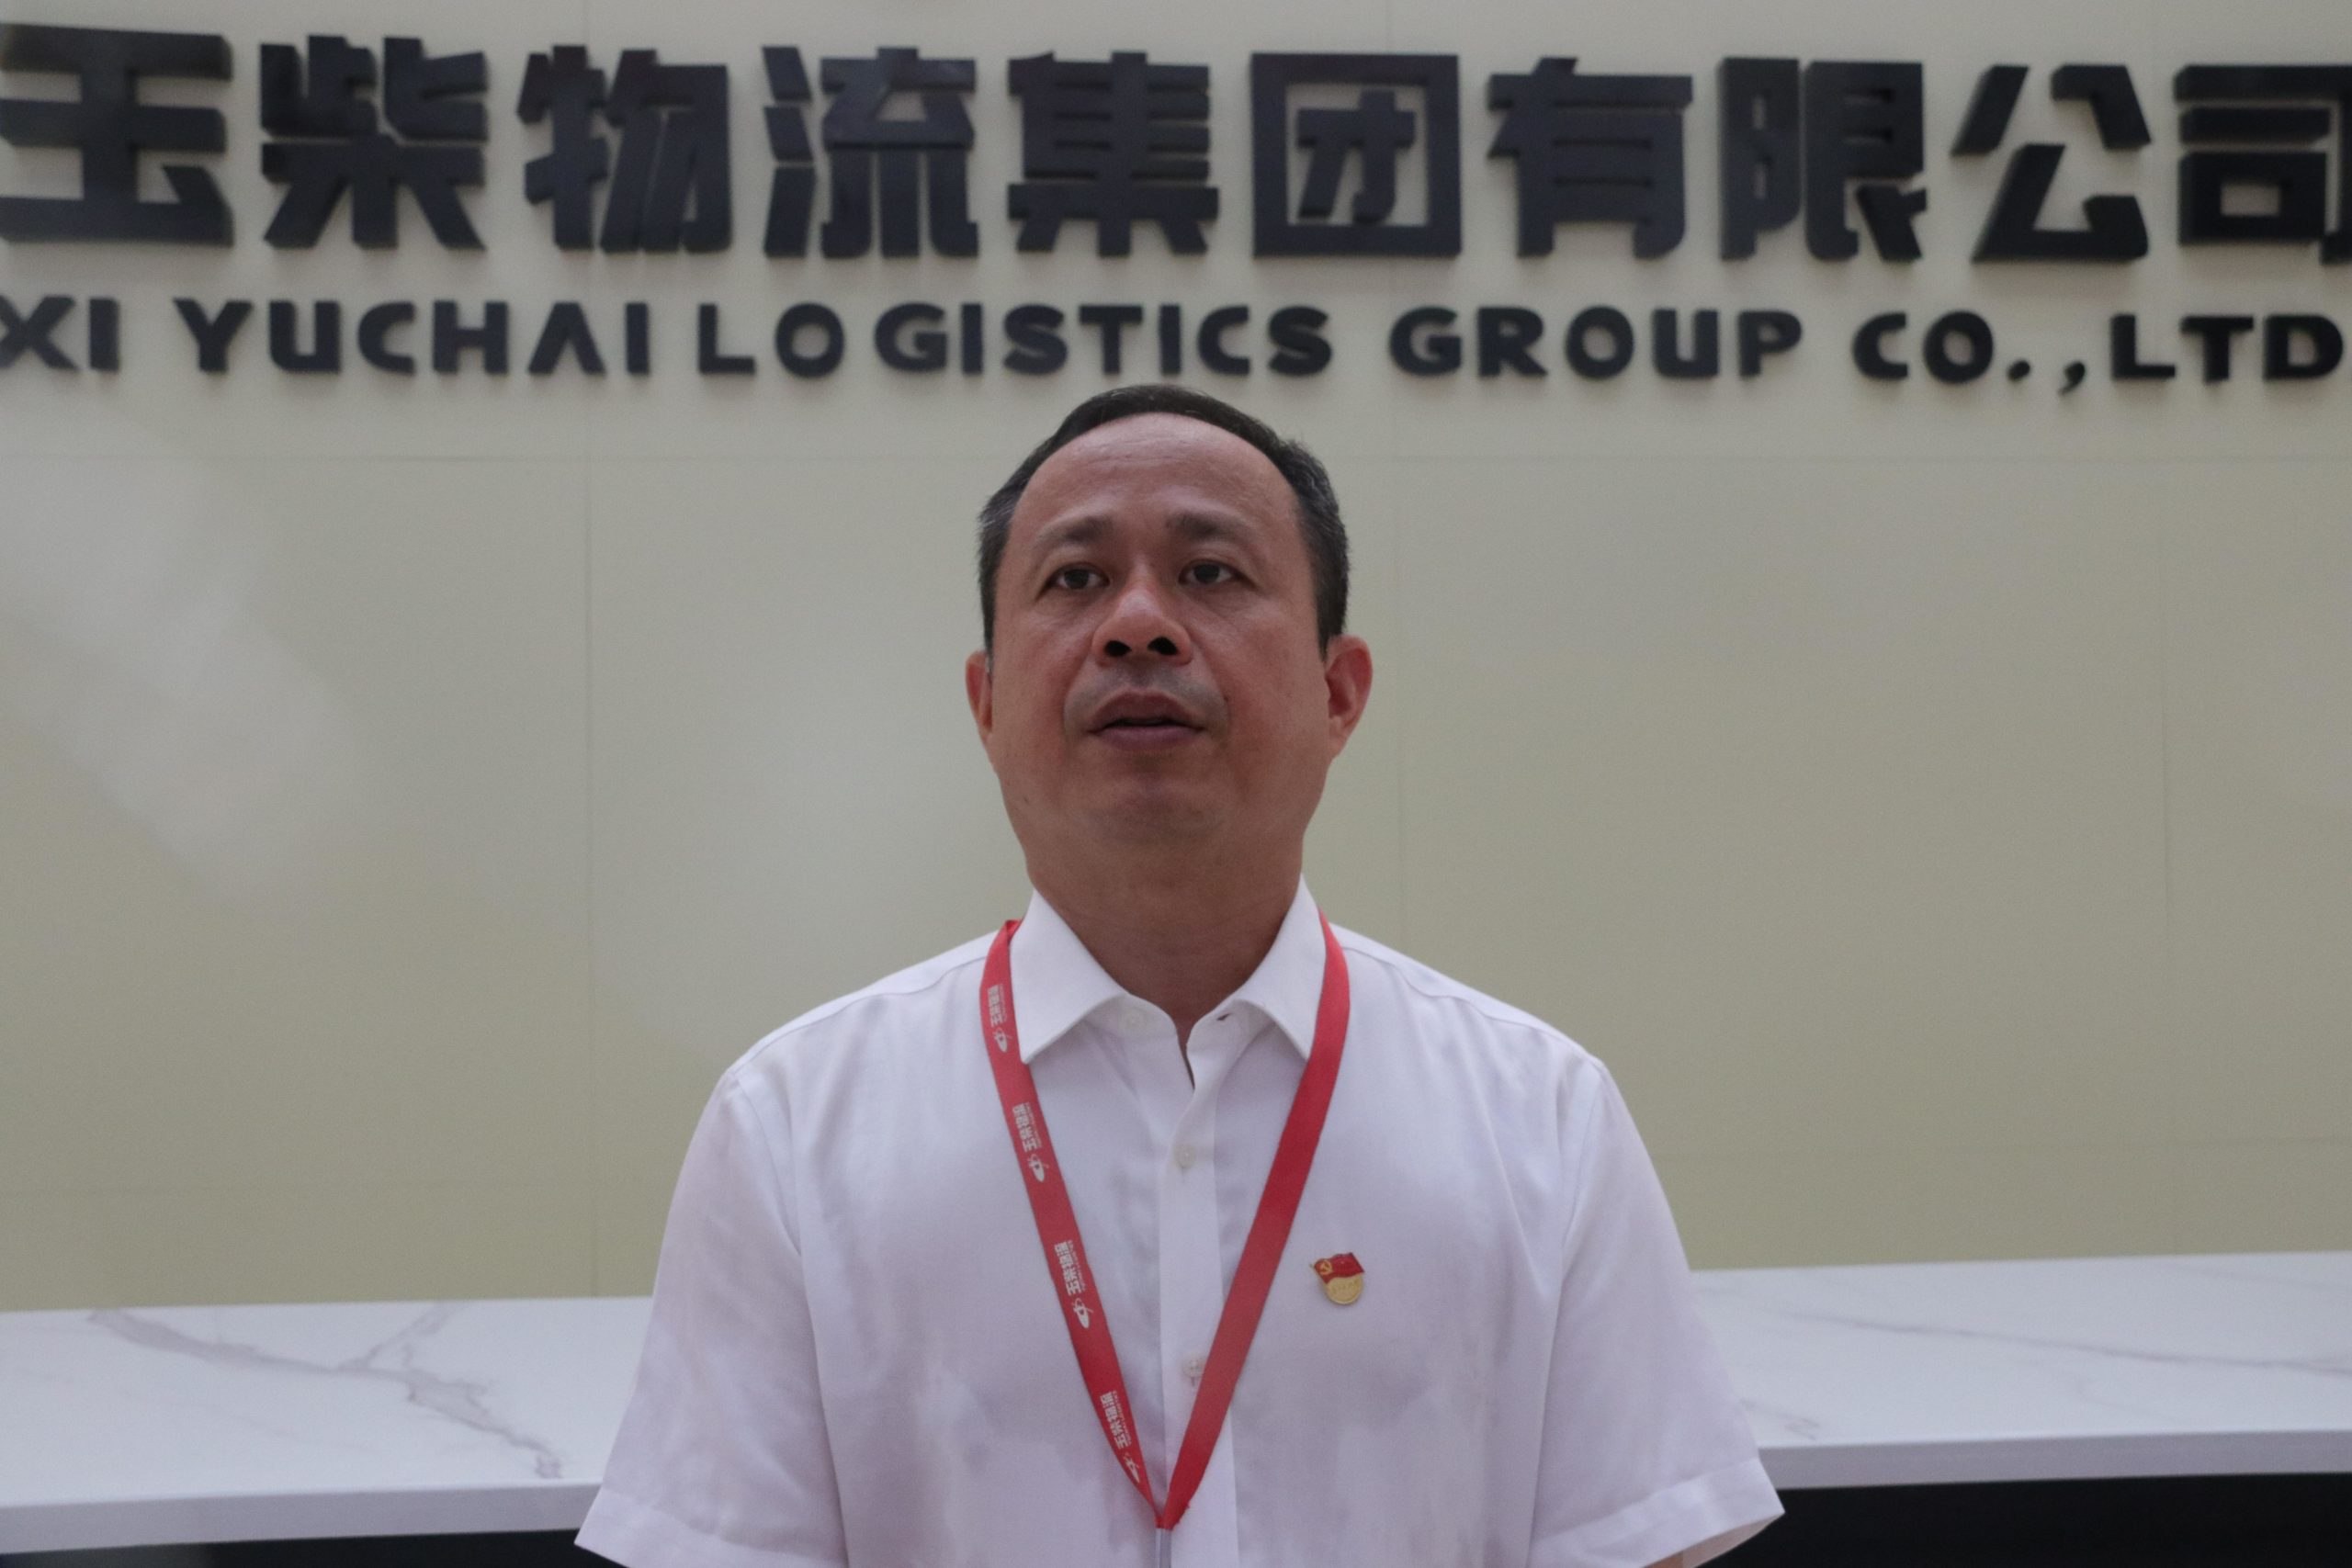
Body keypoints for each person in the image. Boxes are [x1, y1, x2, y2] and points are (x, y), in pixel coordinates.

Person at [574, 384, 1783, 1568]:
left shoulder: (1542, 1116)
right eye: (1075, 580)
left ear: (1338, 693)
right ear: (987, 705)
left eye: (1210, 572)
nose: (1138, 626)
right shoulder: (794, 1128)